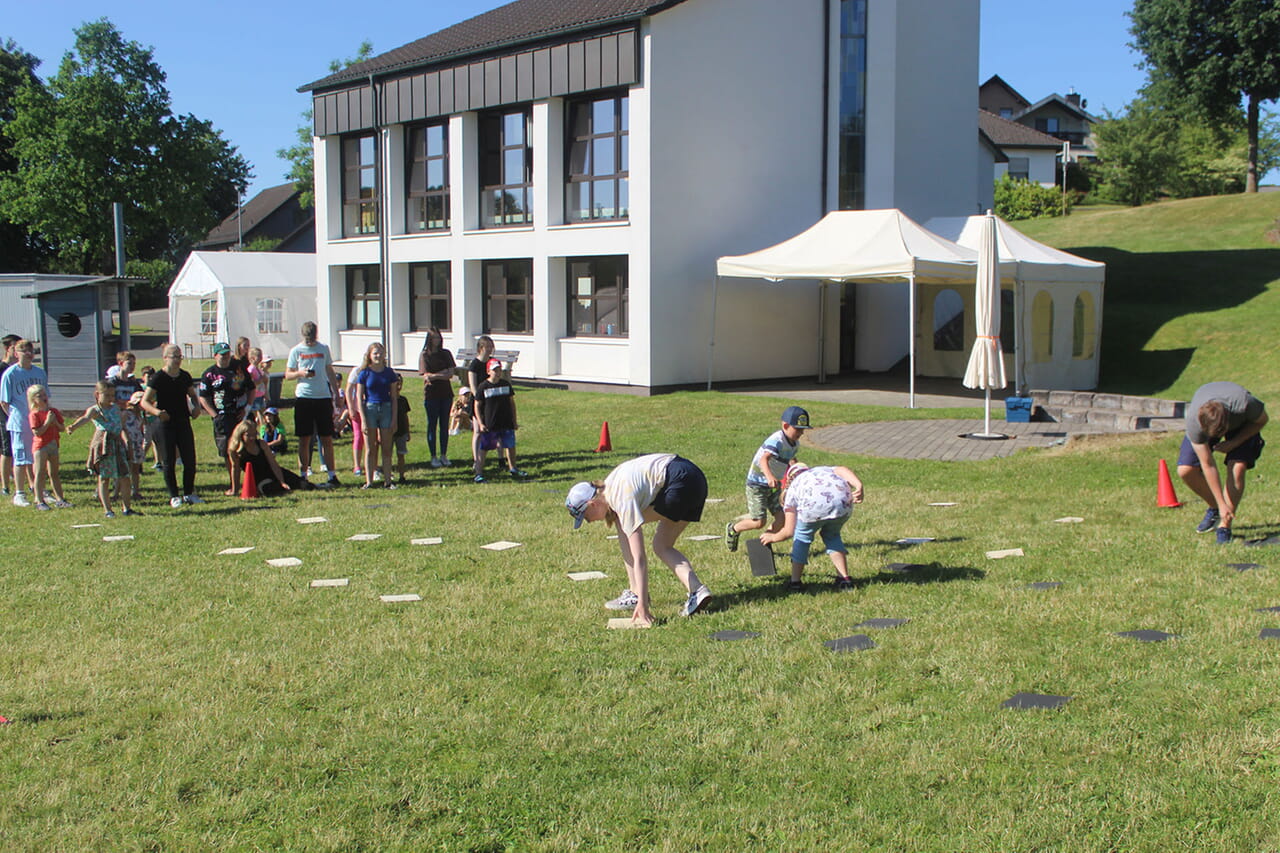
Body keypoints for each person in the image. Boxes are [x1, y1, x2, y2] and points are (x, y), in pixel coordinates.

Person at [565, 453, 714, 626]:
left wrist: (643, 606)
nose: (589, 521)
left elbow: (639, 558)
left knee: (628, 527)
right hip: (696, 479)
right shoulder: (611, 486)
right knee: (662, 545)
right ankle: (698, 590)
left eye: (586, 517)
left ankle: (638, 596)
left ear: (593, 504)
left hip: (679, 480)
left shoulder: (620, 498)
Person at [1177, 381, 1268, 544]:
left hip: (1242, 424)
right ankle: (1216, 509)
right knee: (1186, 470)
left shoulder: (1244, 403)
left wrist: (1234, 442)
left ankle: (1224, 526)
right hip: (1207, 421)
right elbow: (1208, 464)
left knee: (1237, 468)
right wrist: (1220, 503)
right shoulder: (1194, 423)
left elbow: (1262, 420)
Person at [760, 461, 864, 590]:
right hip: (842, 505)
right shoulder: (823, 469)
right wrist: (858, 485)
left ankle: (795, 582)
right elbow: (842, 469)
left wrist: (773, 538)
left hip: (813, 507)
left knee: (802, 538)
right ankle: (844, 579)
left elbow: (789, 531)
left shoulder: (792, 489)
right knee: (832, 536)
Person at [726, 405, 811, 552]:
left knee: (782, 518)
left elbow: (790, 459)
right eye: (798, 429)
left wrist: (797, 472)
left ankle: (765, 540)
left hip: (775, 486)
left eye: (803, 429)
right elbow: (763, 460)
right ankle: (733, 528)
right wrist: (769, 476)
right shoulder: (776, 440)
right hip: (757, 484)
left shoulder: (794, 443)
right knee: (759, 521)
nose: (801, 433)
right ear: (785, 425)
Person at [141, 343, 203, 508]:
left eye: (179, 356)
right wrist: (157, 412)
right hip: (165, 423)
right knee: (168, 461)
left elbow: (192, 395)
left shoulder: (184, 376)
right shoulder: (158, 378)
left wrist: (196, 407)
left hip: (183, 420)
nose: (177, 360)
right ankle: (174, 496)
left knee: (189, 459)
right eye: (174, 356)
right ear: (165, 358)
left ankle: (189, 493)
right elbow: (144, 402)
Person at [68, 380, 137, 518]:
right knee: (104, 478)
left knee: (124, 476)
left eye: (112, 395)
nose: (111, 398)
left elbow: (120, 424)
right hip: (104, 446)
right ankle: (108, 510)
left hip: (117, 445)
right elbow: (85, 418)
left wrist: (126, 438)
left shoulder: (115, 408)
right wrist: (73, 427)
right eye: (107, 395)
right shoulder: (95, 410)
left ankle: (127, 508)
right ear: (97, 394)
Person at [284, 321, 341, 488]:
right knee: (305, 438)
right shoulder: (296, 351)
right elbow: (288, 374)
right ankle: (303, 475)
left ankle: (332, 475)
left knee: (326, 438)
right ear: (303, 335)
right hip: (304, 397)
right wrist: (301, 373)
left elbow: (329, 370)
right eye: (307, 338)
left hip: (322, 397)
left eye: (312, 337)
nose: (309, 341)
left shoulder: (323, 349)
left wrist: (336, 393)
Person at [200, 341, 254, 496]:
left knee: (247, 447)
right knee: (228, 451)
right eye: (222, 355)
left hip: (239, 413)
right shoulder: (209, 374)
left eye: (228, 354)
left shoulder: (239, 369)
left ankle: (251, 479)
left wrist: (247, 408)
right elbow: (203, 397)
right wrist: (214, 415)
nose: (226, 358)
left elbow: (251, 388)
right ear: (215, 356)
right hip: (222, 416)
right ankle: (233, 484)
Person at [0, 339, 48, 507]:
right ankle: (19, 493)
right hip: (19, 422)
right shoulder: (10, 374)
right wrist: (16, 417)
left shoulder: (40, 373)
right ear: (16, 353)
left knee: (38, 457)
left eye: (30, 350)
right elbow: (4, 402)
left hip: (38, 423)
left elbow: (46, 398)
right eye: (23, 350)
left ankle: (39, 490)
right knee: (21, 458)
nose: (28, 353)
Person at [353, 341, 400, 489]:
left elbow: (394, 397)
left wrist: (394, 419)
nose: (378, 356)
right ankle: (369, 481)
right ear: (369, 355)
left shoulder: (389, 373)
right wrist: (364, 421)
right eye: (375, 353)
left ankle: (388, 481)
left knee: (386, 448)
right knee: (370, 448)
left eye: (380, 352)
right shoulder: (364, 373)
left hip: (385, 408)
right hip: (370, 409)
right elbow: (359, 398)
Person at [229, 418, 314, 497]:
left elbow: (273, 464)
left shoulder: (261, 444)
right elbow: (235, 469)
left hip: (273, 472)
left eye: (254, 434)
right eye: (248, 435)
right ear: (241, 435)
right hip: (260, 480)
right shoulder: (235, 451)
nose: (252, 438)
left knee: (304, 485)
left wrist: (282, 481)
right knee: (270, 489)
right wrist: (235, 490)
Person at [474, 358, 526, 482]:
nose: (497, 372)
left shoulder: (505, 385)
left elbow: (511, 403)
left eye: (499, 370)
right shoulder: (483, 387)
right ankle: (478, 473)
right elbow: (477, 405)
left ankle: (513, 468)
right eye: (494, 370)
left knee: (510, 446)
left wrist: (514, 420)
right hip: (491, 423)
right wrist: (481, 423)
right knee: (485, 448)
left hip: (506, 421)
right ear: (488, 371)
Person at [26, 384, 70, 509]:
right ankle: (39, 500)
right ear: (34, 399)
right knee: (40, 473)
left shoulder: (53, 411)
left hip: (53, 444)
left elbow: (62, 428)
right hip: (41, 446)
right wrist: (47, 422)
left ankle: (60, 499)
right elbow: (37, 432)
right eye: (40, 396)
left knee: (54, 473)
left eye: (45, 395)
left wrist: (54, 421)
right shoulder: (34, 414)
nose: (44, 398)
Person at [418, 327, 456, 467]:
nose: (437, 340)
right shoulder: (425, 355)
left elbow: (450, 373)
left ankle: (444, 455)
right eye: (434, 338)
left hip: (446, 394)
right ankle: (433, 456)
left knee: (444, 424)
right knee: (432, 425)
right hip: (431, 395)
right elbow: (425, 376)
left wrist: (435, 375)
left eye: (439, 337)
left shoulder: (446, 354)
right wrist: (441, 374)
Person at [466, 335, 495, 475]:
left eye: (491, 346)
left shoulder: (491, 363)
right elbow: (473, 386)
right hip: (478, 401)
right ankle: (476, 459)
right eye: (487, 347)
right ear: (481, 348)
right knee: (477, 431)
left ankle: (489, 457)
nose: (490, 349)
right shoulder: (474, 365)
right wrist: (480, 398)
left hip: (491, 401)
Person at [0, 334, 21, 495]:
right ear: (8, 348)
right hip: (4, 414)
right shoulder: (2, 369)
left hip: (18, 414)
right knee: (6, 449)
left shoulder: (19, 369)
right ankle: (5, 485)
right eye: (16, 347)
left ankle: (17, 475)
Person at [344, 363, 365, 476]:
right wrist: (351, 408)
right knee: (358, 436)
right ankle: (357, 465)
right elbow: (349, 390)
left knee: (372, 438)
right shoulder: (357, 371)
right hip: (357, 409)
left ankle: (373, 464)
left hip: (371, 408)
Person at [393, 378, 411, 484]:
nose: (399, 386)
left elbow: (405, 416)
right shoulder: (388, 400)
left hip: (401, 430)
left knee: (401, 454)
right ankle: (388, 474)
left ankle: (401, 475)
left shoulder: (403, 400)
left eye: (400, 384)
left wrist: (407, 431)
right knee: (388, 454)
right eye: (397, 383)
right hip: (390, 431)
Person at [246, 347, 271, 423]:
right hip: (255, 395)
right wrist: (261, 380)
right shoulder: (251, 369)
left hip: (260, 394)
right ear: (252, 358)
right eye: (259, 356)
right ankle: (258, 428)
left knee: (263, 414)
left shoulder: (257, 369)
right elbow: (251, 383)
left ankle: (263, 428)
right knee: (257, 415)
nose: (260, 358)